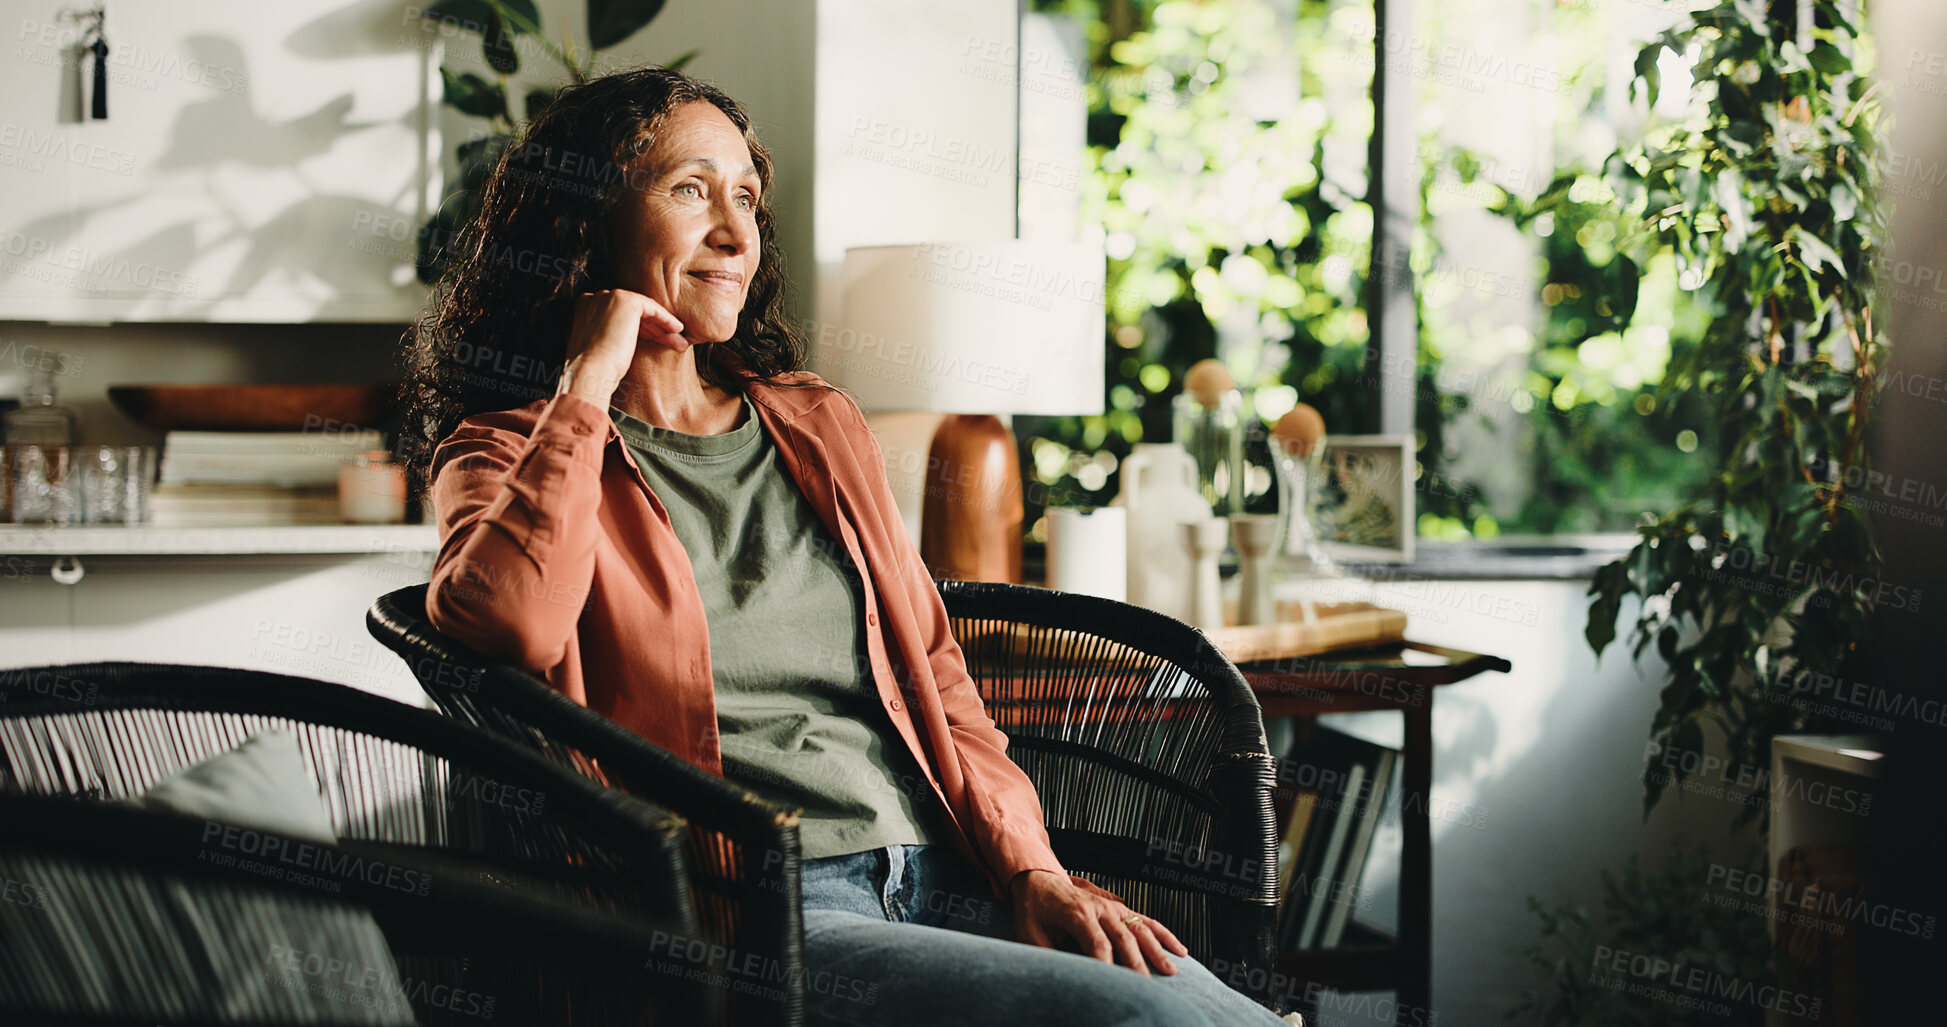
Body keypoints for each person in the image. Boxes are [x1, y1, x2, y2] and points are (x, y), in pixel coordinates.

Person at [401, 66, 1294, 1027]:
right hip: (753, 917)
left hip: (952, 872)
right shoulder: (509, 447)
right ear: (587, 219)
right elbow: (511, 624)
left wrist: (1035, 870)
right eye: (690, 190)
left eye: (746, 196)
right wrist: (586, 383)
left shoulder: (816, 422)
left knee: (1231, 1017)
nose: (736, 234)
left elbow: (940, 681)